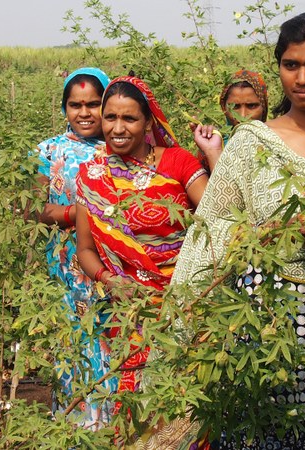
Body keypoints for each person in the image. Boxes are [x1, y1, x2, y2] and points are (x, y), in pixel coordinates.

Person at [172, 12, 305, 449]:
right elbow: (210, 230)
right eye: (290, 64)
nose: (302, 77)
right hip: (260, 325)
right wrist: (184, 327)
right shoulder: (250, 142)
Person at [74, 75, 209, 406]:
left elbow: (216, 220)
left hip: (186, 301)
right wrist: (110, 280)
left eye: (129, 118)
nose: (118, 128)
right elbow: (86, 249)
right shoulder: (91, 175)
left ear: (148, 121)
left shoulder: (178, 163)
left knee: (187, 403)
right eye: (111, 117)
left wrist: (214, 153)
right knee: (138, 406)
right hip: (130, 311)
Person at [35, 67, 115, 430]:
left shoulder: (120, 145)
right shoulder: (49, 150)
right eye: (74, 104)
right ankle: (76, 425)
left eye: (93, 104)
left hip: (113, 262)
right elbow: (32, 207)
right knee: (75, 339)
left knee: (112, 336)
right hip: (67, 263)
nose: (84, 113)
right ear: (64, 107)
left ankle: (116, 422)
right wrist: (79, 214)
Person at [191, 69, 269, 170]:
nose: (243, 115)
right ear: (223, 107)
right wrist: (210, 151)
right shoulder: (217, 142)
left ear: (264, 106)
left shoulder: (277, 142)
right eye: (235, 107)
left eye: (252, 106)